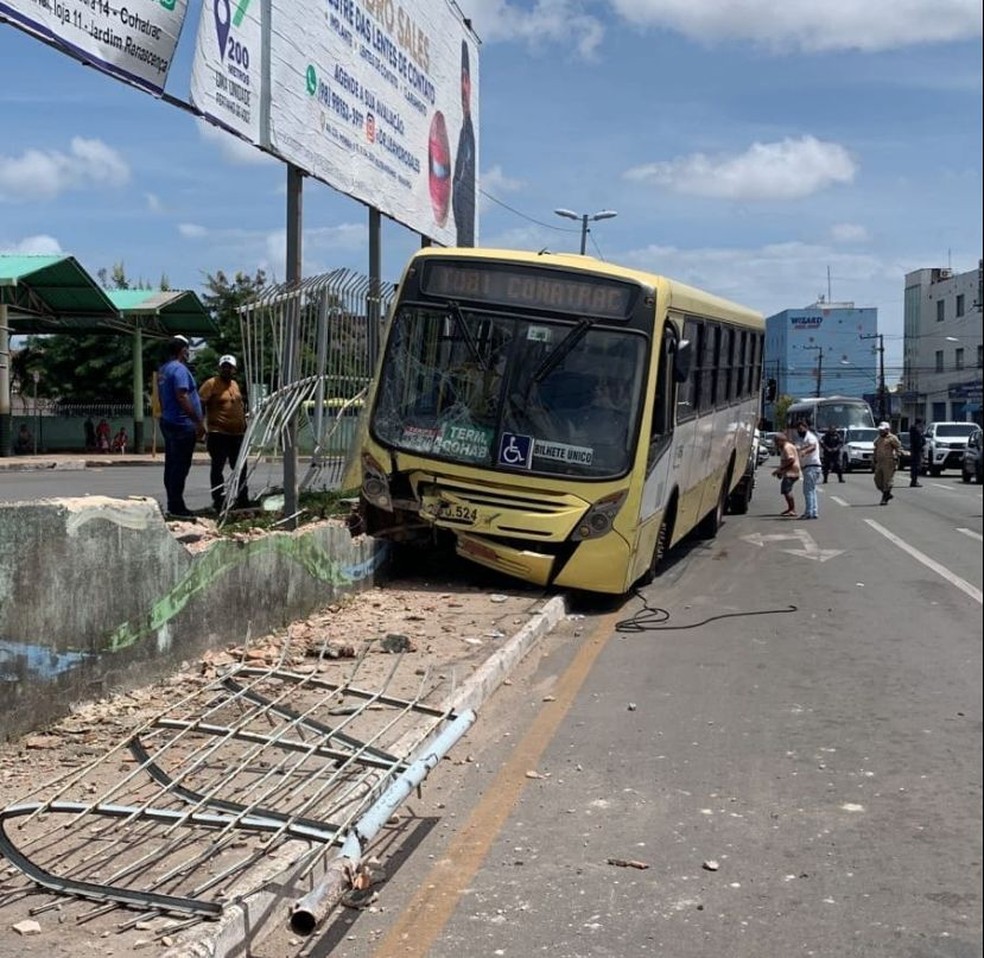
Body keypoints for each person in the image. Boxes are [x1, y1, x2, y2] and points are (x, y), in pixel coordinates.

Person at [158, 335, 205, 518]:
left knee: (171, 465)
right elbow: (182, 396)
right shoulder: (179, 370)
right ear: (182, 350)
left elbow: (162, 398)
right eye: (187, 349)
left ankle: (173, 502)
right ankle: (177, 506)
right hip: (182, 424)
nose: (188, 353)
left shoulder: (163, 370)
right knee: (180, 467)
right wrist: (198, 421)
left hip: (168, 421)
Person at [199, 354, 249, 512]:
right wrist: (201, 425)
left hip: (237, 434)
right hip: (218, 433)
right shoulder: (211, 384)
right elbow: (200, 403)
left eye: (230, 367)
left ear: (234, 369)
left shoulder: (234, 384)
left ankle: (242, 498)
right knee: (217, 467)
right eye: (224, 366)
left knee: (240, 467)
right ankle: (218, 500)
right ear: (220, 368)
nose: (227, 369)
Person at [451, 40, 476, 247]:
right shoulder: (463, 133)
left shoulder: (468, 136)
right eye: (461, 80)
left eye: (466, 81)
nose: (463, 88)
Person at [793, 420, 822, 519]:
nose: (800, 431)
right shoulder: (802, 438)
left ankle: (809, 512)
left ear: (806, 428)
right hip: (809, 467)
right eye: (798, 429)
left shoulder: (810, 437)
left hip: (812, 467)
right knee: (811, 490)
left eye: (801, 428)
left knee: (808, 491)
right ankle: (813, 511)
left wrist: (804, 451)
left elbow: (812, 447)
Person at [873, 421, 902, 505]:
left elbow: (898, 448)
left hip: (889, 462)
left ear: (887, 429)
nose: (881, 431)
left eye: (883, 430)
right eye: (880, 430)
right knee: (877, 480)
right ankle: (887, 494)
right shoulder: (878, 439)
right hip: (879, 462)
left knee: (887, 481)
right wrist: (874, 459)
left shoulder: (892, 438)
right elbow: (875, 448)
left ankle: (884, 498)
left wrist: (897, 455)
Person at [773, 433, 801, 516]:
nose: (776, 444)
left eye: (777, 441)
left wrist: (780, 470)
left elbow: (791, 460)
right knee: (786, 490)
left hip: (791, 472)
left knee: (787, 490)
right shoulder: (784, 447)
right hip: (788, 471)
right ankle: (790, 508)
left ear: (782, 440)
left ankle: (792, 509)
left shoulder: (787, 447)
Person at [908, 418, 925, 487]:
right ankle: (913, 481)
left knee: (916, 466)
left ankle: (914, 480)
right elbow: (917, 441)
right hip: (916, 451)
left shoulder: (916, 430)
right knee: (915, 466)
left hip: (916, 450)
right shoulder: (914, 430)